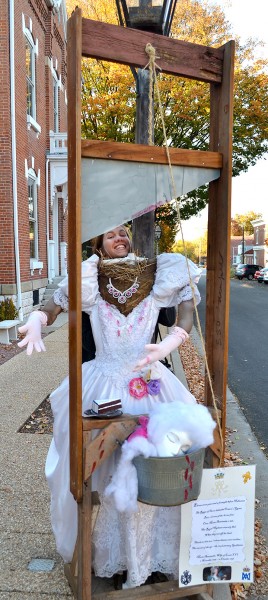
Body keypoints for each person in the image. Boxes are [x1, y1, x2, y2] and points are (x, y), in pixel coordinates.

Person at [18, 224, 202, 588]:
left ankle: (148, 557)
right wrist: (39, 318)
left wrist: (173, 342)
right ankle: (112, 557)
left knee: (155, 468)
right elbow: (57, 304)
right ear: (98, 245)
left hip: (149, 382)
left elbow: (186, 309)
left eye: (124, 232)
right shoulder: (90, 277)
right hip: (102, 385)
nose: (120, 238)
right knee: (102, 470)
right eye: (110, 235)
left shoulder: (156, 274)